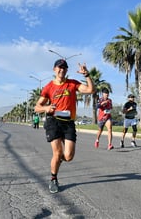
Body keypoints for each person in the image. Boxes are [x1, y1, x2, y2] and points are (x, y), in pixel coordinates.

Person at [35, 59, 95, 194]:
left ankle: (57, 161)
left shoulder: (72, 84)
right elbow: (37, 107)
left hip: (68, 122)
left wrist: (87, 75)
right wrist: (46, 108)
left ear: (67, 70)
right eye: (59, 67)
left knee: (68, 156)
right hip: (53, 122)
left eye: (64, 68)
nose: (62, 69)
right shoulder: (49, 87)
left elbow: (91, 90)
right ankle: (53, 178)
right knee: (57, 153)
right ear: (54, 69)